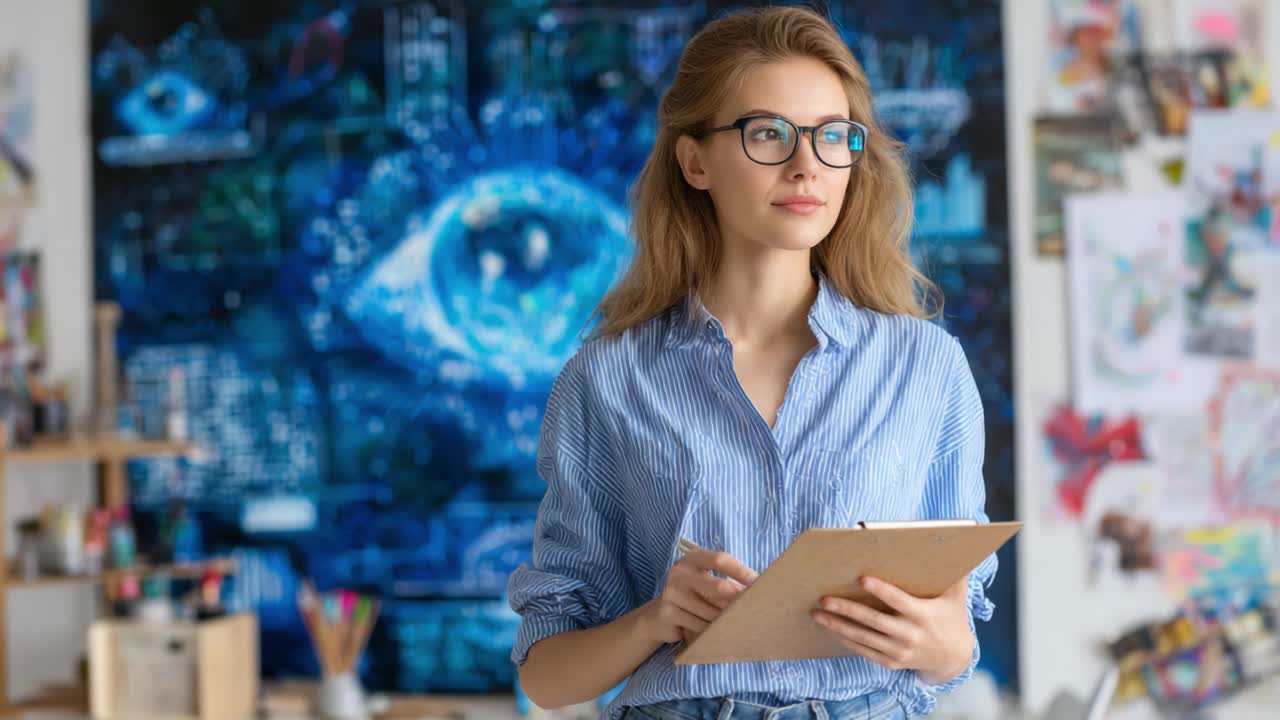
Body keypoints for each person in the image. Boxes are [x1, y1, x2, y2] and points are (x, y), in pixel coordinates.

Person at [507, 7, 997, 719]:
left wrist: (939, 645)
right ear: (695, 161)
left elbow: (956, 643)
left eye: (833, 135)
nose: (807, 165)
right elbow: (546, 678)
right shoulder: (606, 380)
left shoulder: (925, 367)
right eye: (768, 133)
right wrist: (655, 619)